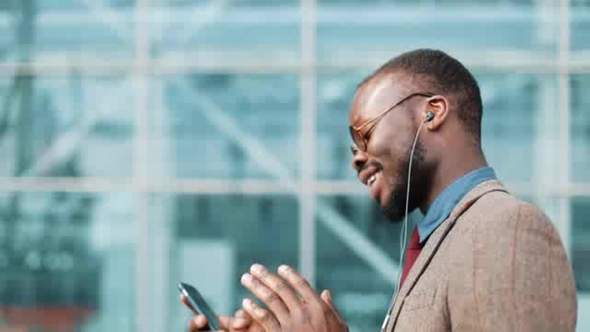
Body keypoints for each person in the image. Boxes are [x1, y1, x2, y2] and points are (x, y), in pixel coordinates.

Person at [183, 49, 578, 331]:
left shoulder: (503, 228)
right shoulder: (442, 241)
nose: (356, 158)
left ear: (432, 112)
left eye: (364, 134)